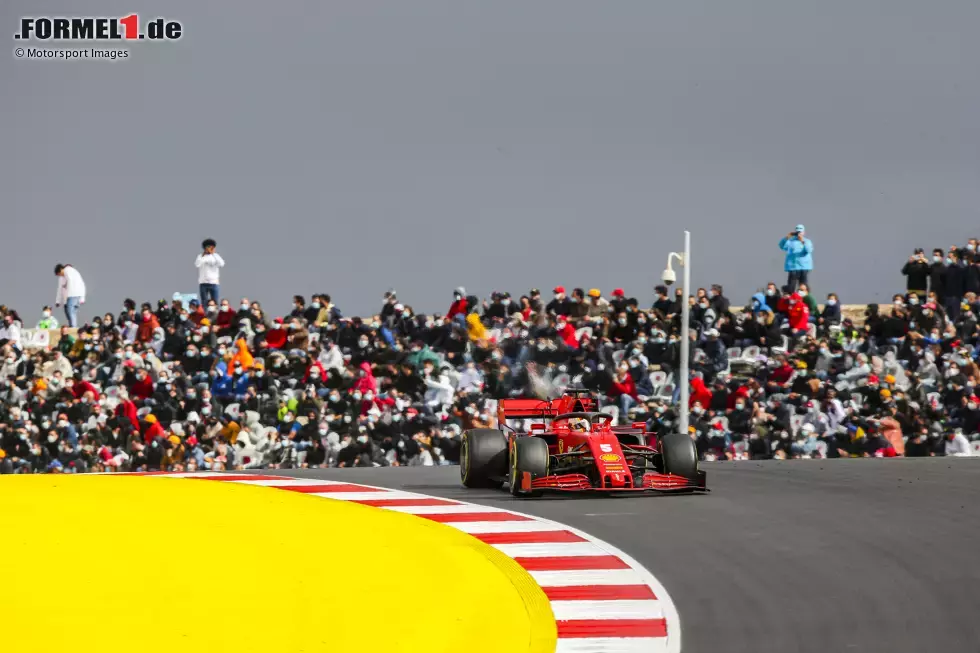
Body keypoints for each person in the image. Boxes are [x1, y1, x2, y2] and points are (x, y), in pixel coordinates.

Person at [778, 224, 814, 293]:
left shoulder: (807, 241)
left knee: (803, 287)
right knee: (791, 287)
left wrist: (802, 241)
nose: (799, 234)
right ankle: (790, 299)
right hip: (793, 267)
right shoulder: (790, 241)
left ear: (803, 232)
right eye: (797, 232)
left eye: (800, 232)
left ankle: (804, 301)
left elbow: (809, 250)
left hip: (804, 267)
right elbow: (781, 246)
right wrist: (786, 237)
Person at [54, 263, 87, 328]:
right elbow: (59, 289)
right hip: (69, 297)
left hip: (73, 295)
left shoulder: (68, 271)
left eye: (59, 274)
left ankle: (73, 327)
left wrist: (82, 297)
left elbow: (78, 283)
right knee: (69, 312)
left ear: (61, 269)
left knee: (71, 311)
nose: (60, 275)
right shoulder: (62, 277)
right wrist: (58, 301)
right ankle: (72, 325)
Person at [195, 239, 225, 306]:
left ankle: (214, 315)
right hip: (203, 283)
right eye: (208, 247)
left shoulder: (216, 256)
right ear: (205, 248)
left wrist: (213, 254)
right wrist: (204, 255)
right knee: (204, 302)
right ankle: (205, 315)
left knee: (215, 302)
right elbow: (197, 264)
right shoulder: (200, 256)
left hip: (214, 283)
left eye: (212, 247)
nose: (210, 249)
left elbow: (222, 264)